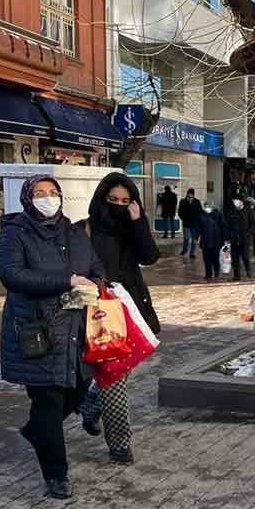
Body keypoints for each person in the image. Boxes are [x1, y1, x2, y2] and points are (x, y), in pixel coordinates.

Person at [0, 175, 104, 499]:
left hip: (76, 329)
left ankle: (36, 432)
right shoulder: (15, 233)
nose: (48, 198)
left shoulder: (76, 233)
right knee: (48, 401)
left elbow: (96, 271)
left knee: (77, 390)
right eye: (40, 193)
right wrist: (67, 279)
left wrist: (91, 287)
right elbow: (13, 275)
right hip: (37, 331)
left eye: (53, 192)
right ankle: (56, 475)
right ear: (28, 199)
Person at [78, 172, 160, 464]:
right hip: (99, 311)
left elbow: (150, 256)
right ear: (102, 198)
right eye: (113, 200)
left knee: (122, 370)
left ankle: (90, 404)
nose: (119, 205)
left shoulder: (132, 226)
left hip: (132, 307)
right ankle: (120, 445)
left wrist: (138, 223)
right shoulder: (84, 230)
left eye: (125, 201)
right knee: (114, 375)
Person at [227, 196, 252, 281]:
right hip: (234, 238)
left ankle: (248, 270)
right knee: (235, 258)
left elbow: (253, 223)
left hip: (244, 238)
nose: (235, 203)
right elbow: (228, 224)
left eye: (236, 201)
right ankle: (236, 275)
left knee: (245, 256)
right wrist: (227, 237)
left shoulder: (248, 210)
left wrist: (248, 233)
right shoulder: (231, 211)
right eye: (234, 201)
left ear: (241, 202)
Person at [198, 203, 226, 280]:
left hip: (216, 241)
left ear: (212, 207)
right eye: (206, 206)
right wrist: (196, 237)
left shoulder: (218, 215)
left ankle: (216, 271)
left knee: (215, 258)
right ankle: (208, 273)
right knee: (206, 259)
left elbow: (223, 226)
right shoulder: (201, 215)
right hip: (205, 241)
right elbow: (198, 227)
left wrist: (225, 238)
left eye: (208, 206)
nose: (207, 208)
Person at [178, 189, 203, 259]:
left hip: (195, 225)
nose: (189, 199)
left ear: (193, 196)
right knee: (186, 238)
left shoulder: (197, 202)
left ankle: (192, 253)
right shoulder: (182, 201)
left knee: (194, 239)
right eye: (188, 197)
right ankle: (185, 250)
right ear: (186, 195)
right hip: (186, 224)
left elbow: (200, 211)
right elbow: (180, 212)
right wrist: (183, 218)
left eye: (191, 197)